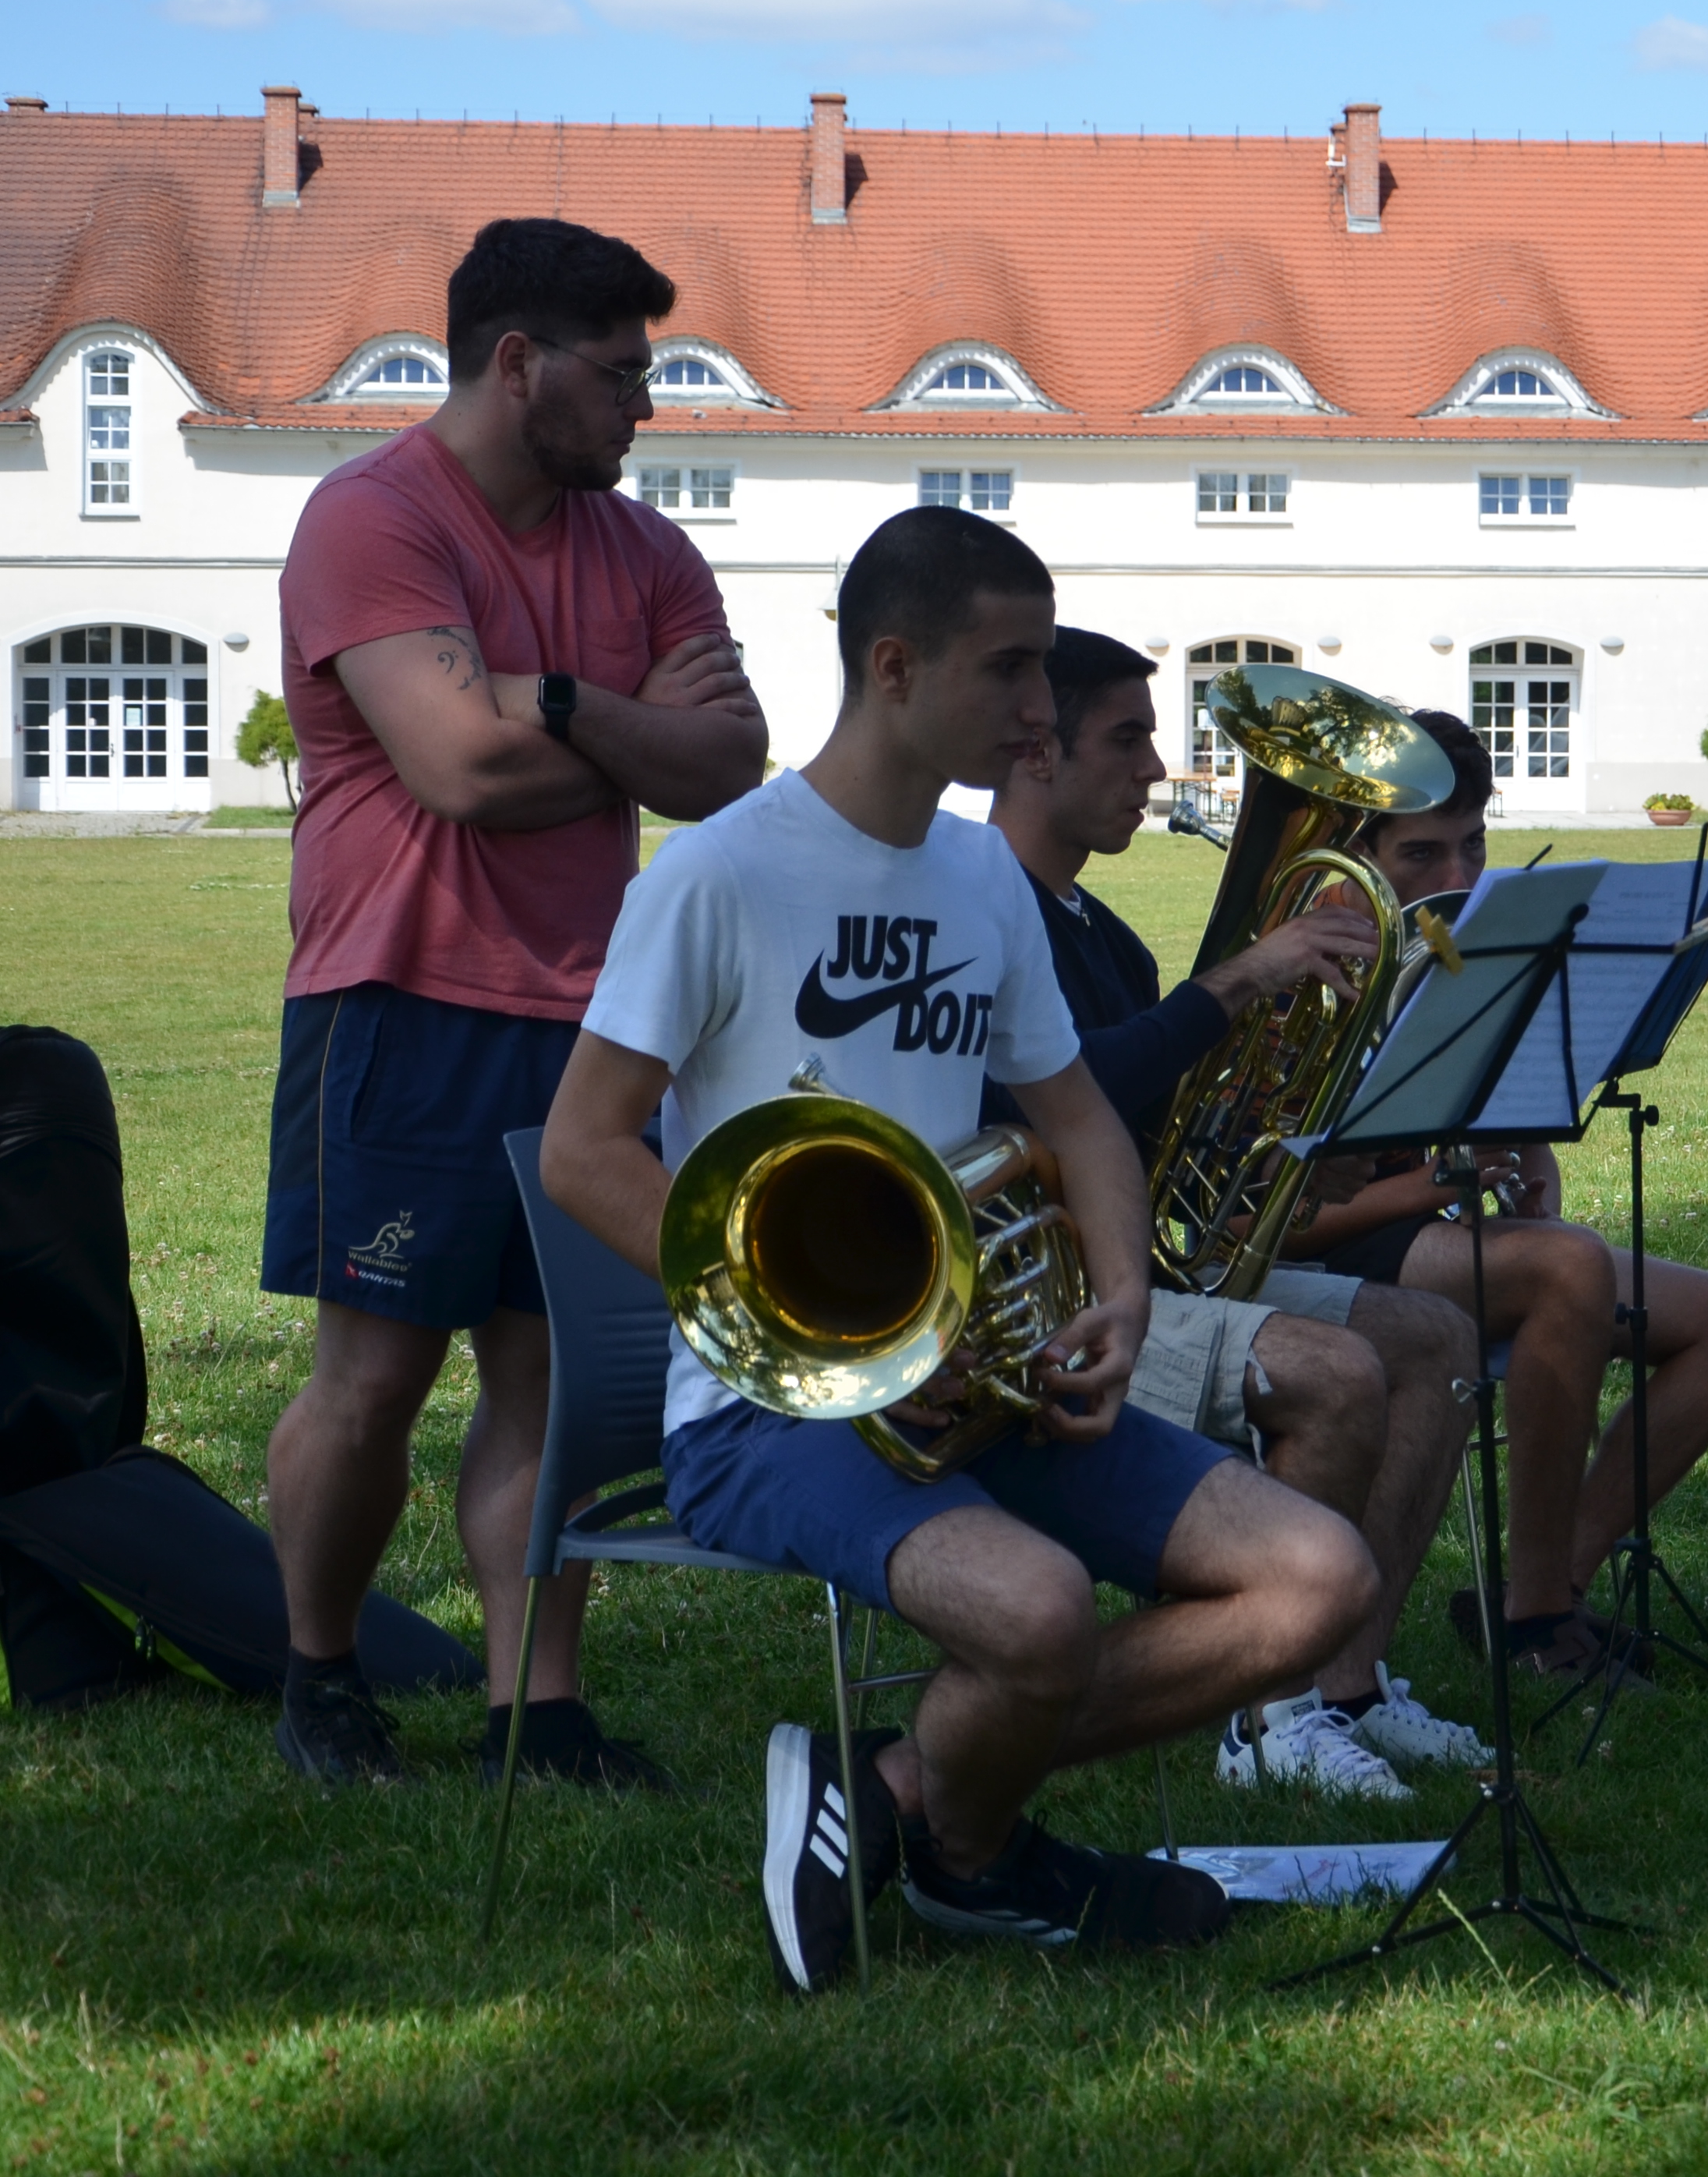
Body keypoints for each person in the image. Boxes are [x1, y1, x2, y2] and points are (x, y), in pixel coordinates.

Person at [539, 508, 1379, 1991]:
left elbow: (1074, 1120)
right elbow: (584, 1146)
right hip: (765, 1404)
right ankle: (982, 1855)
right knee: (1040, 1608)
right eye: (1012, 670)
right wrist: (824, 1352)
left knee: (1317, 1576)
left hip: (979, 1365)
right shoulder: (716, 873)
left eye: (1045, 670)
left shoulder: (982, 877)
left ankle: (910, 1795)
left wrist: (1120, 1294)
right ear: (893, 665)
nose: (1041, 710)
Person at [260, 218, 768, 1789]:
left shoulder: (645, 547)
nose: (644, 411)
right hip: (398, 995)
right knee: (377, 1375)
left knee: (552, 1371)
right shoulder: (372, 521)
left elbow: (728, 768)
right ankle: (320, 1674)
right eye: (621, 377)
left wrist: (550, 699)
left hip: (594, 1021)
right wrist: (617, 736)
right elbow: (456, 772)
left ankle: (530, 1711)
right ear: (516, 363)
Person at [981, 628, 1484, 1805]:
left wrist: (1289, 1169)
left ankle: (1348, 1687)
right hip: (1046, 1308)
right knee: (1340, 1371)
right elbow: (1046, 1101)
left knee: (1433, 1337)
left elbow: (1142, 1139)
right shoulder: (986, 910)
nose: (1156, 768)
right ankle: (1267, 1719)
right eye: (1129, 737)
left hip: (1143, 1275)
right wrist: (1240, 982)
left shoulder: (1106, 934)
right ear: (1038, 753)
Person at [1284, 711, 1708, 1687]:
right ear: (1358, 855)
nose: (1457, 880)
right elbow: (1279, 1217)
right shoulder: (1302, 975)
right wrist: (1445, 1183)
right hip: (1329, 1258)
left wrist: (1520, 1150)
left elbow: (1487, 1122)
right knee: (1566, 1267)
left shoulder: (1461, 952)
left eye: (1474, 845)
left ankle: (1539, 1583)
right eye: (1421, 854)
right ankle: (1540, 1616)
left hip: (1427, 1235)